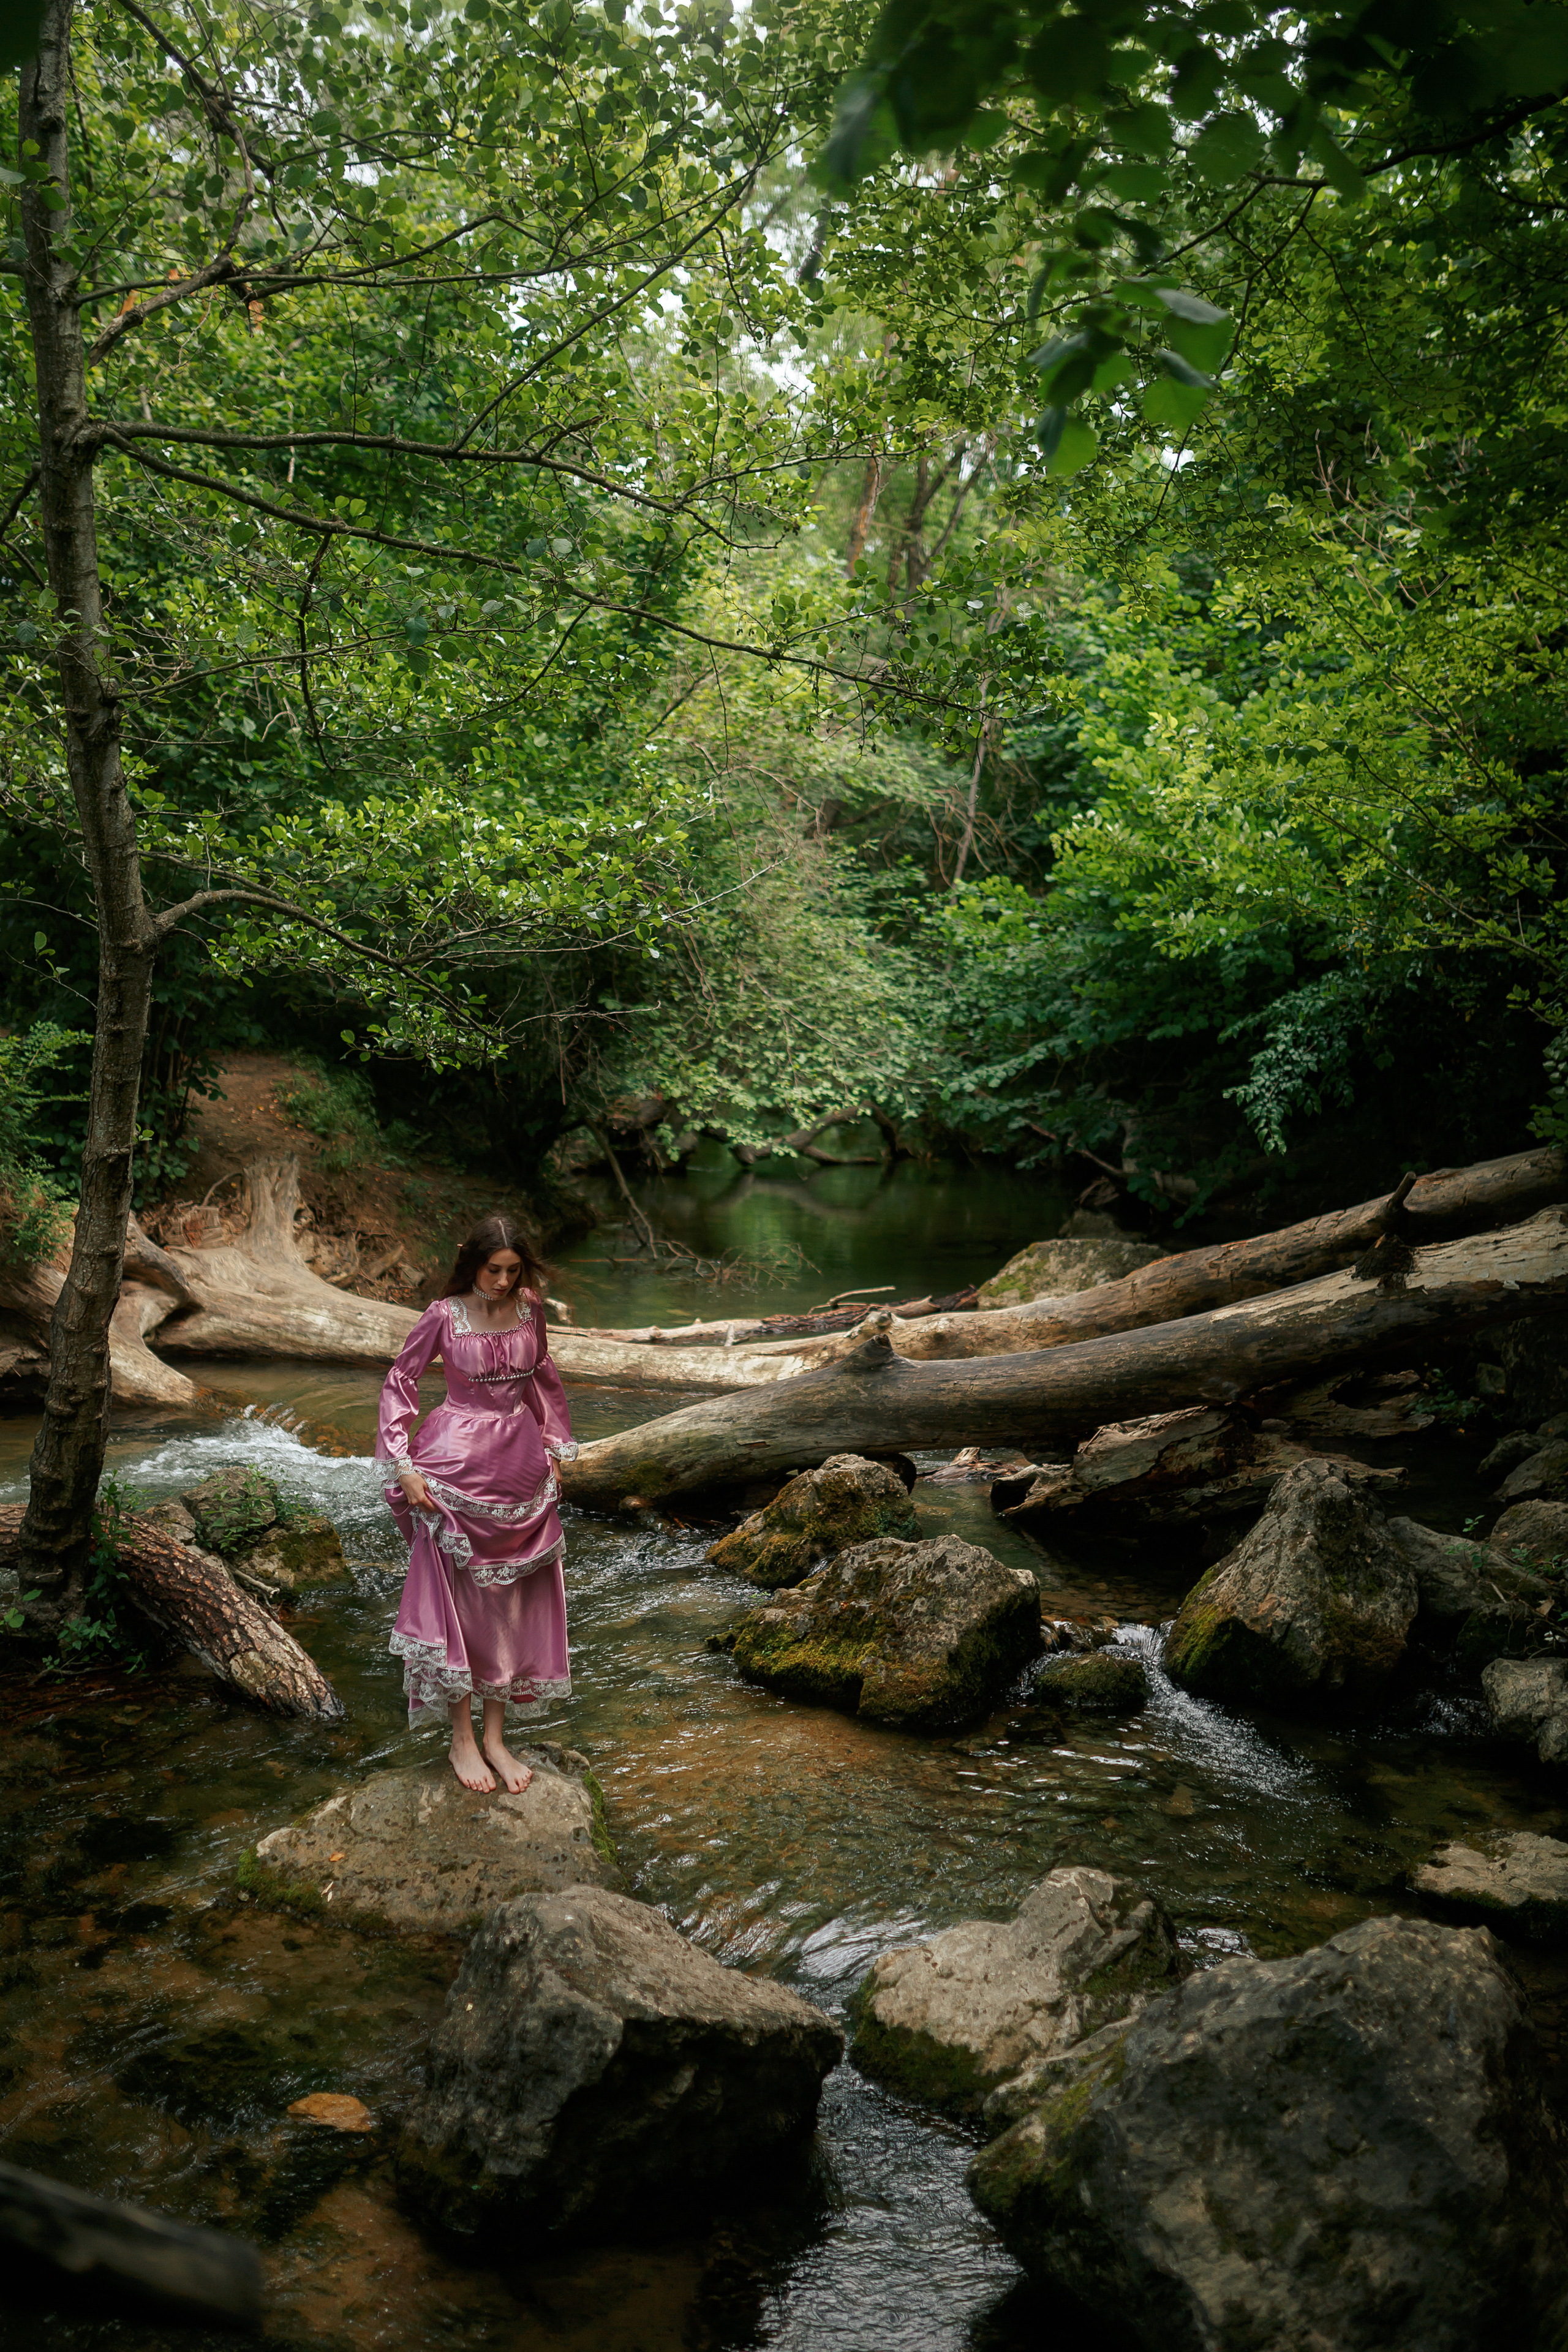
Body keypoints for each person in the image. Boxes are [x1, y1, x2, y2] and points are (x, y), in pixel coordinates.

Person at [375, 1213, 576, 1794]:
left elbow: (542, 1380)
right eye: (494, 1270)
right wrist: (404, 1466)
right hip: (452, 1466)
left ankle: (495, 1738)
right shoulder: (444, 1316)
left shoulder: (530, 1307)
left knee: (510, 1600)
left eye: (514, 1271)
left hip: (519, 1467)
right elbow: (400, 1382)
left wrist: (554, 1451)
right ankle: (461, 1738)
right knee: (459, 1603)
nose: (504, 1282)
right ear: (473, 1263)